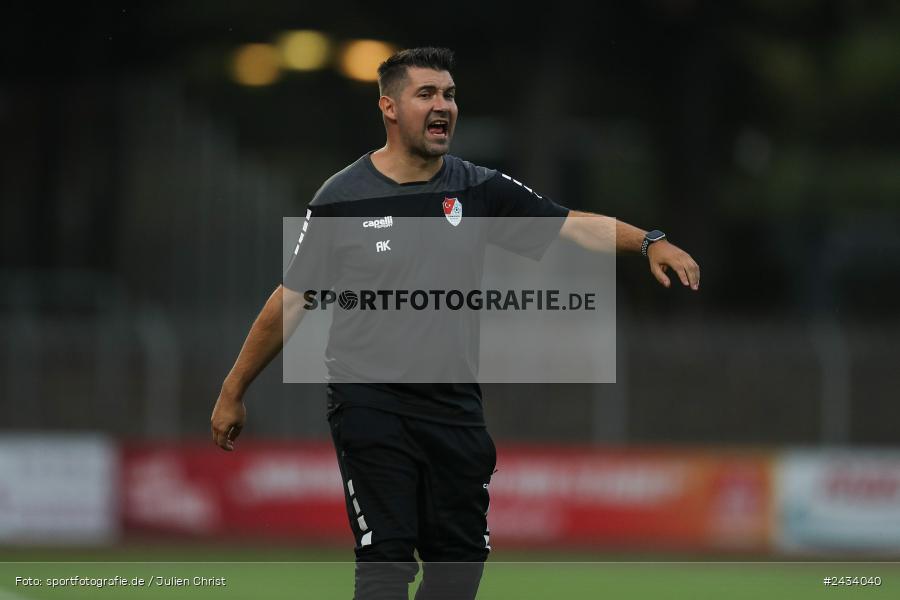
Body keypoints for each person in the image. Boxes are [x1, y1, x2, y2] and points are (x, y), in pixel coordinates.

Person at [210, 47, 700, 600]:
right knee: (385, 566)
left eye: (448, 94)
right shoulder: (341, 198)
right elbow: (292, 300)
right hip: (370, 405)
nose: (443, 105)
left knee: (456, 574)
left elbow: (567, 224)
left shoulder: (478, 188)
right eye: (427, 94)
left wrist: (649, 242)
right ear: (389, 108)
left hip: (455, 410)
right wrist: (234, 389)